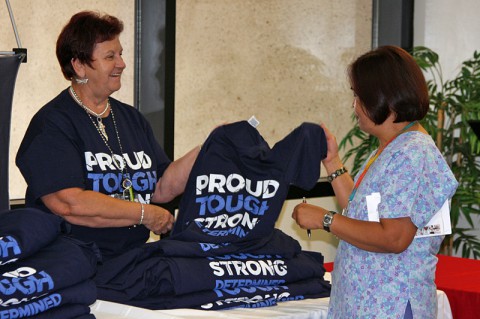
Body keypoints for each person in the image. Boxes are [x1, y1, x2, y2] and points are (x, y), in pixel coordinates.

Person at [16, 11, 200, 261]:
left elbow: (159, 187)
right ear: (79, 65)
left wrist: (208, 147)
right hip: (73, 265)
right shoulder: (52, 124)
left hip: (131, 260)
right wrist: (145, 214)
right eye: (110, 56)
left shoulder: (131, 119)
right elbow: (70, 204)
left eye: (121, 54)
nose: (122, 63)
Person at [292, 46, 458, 319]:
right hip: (368, 303)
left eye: (358, 96)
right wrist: (333, 162)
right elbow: (360, 212)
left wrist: (325, 219)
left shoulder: (411, 153)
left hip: (390, 305)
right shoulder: (391, 147)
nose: (354, 105)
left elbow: (394, 237)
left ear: (383, 98)